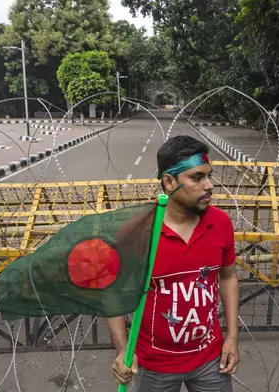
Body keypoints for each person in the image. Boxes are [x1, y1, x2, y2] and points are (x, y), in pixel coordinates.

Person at [108, 135, 240, 392]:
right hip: (155, 365)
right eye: (197, 177)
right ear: (169, 181)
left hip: (210, 360)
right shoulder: (139, 233)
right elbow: (115, 293)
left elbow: (228, 277)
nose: (209, 185)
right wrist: (123, 351)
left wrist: (232, 338)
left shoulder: (220, 223)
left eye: (209, 175)